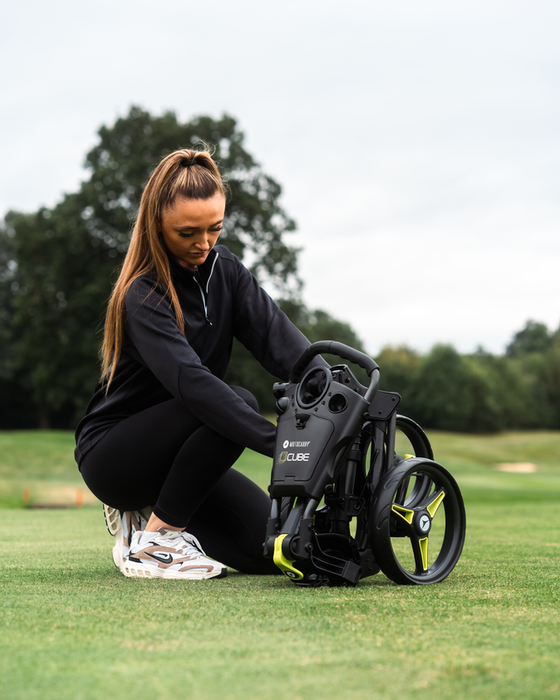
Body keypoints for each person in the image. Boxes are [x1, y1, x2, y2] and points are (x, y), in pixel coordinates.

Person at [75, 147, 323, 580]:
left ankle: (151, 517)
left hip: (183, 456)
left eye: (215, 229)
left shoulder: (226, 270)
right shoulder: (143, 293)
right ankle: (156, 541)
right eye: (187, 232)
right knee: (235, 400)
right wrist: (279, 442)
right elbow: (193, 385)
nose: (204, 244)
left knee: (273, 548)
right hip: (116, 455)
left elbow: (283, 345)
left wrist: (346, 400)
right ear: (156, 225)